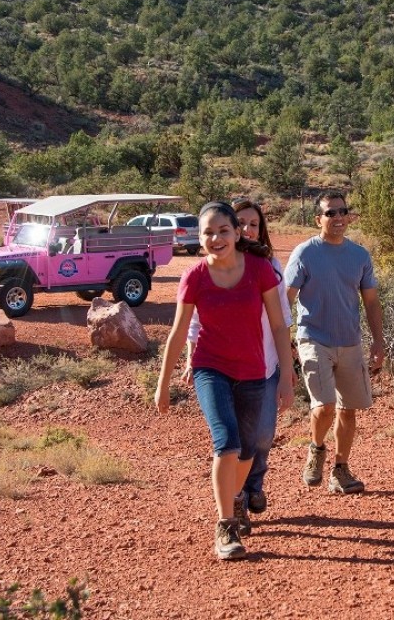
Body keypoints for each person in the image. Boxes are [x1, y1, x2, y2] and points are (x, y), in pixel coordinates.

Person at [155, 201, 294, 561]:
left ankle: (234, 495)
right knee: (227, 442)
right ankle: (226, 526)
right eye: (208, 232)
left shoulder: (260, 270)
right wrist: (163, 383)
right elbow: (178, 332)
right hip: (210, 368)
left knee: (249, 450)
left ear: (236, 233)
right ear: (199, 238)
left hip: (253, 369)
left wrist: (288, 375)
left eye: (223, 231)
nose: (216, 238)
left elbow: (278, 325)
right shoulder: (195, 276)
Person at [285, 191, 384, 495]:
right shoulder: (304, 253)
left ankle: (340, 470)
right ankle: (316, 449)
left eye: (342, 212)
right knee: (325, 405)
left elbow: (371, 302)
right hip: (313, 338)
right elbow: (285, 299)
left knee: (349, 409)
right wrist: (285, 341)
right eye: (330, 213)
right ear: (318, 219)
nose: (338, 217)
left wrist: (378, 341)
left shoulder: (359, 255)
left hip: (350, 341)